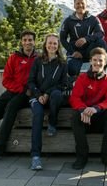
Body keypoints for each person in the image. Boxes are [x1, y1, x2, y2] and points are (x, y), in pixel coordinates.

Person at [0, 30, 37, 163]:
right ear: (21, 42)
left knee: (11, 108)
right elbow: (6, 80)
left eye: (30, 40)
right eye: (25, 40)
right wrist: (19, 88)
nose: (28, 42)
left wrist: (28, 90)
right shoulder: (13, 58)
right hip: (12, 91)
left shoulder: (38, 59)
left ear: (34, 42)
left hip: (27, 94)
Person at [69, 47, 107, 170]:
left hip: (100, 119)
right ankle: (82, 157)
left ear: (105, 62)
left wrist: (96, 108)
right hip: (84, 120)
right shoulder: (82, 78)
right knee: (75, 115)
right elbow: (75, 98)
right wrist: (83, 109)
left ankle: (106, 157)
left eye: (101, 60)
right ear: (90, 61)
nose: (97, 63)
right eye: (95, 60)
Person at [26, 33, 68, 170]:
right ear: (45, 45)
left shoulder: (62, 63)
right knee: (37, 113)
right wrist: (39, 95)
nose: (52, 45)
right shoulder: (38, 61)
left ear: (58, 46)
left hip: (52, 98)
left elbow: (64, 84)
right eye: (49, 43)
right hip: (36, 97)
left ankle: (52, 122)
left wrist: (47, 94)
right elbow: (30, 81)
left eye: (55, 43)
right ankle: (36, 156)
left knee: (56, 94)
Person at [60, 0, 107, 76]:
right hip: (75, 52)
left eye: (82, 3)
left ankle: (95, 70)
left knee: (101, 42)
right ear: (74, 6)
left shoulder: (93, 19)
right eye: (77, 3)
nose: (80, 5)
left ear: (86, 5)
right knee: (72, 70)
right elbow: (62, 39)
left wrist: (86, 39)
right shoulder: (68, 20)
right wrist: (73, 52)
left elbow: (100, 33)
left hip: (89, 52)